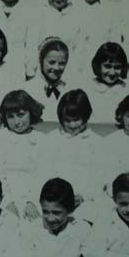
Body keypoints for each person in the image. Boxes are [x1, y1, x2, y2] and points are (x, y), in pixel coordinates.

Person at [0, 90, 46, 223]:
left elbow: (43, 173)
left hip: (35, 195)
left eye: (21, 115)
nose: (17, 122)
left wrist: (32, 202)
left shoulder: (42, 140)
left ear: (31, 112)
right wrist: (7, 202)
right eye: (10, 117)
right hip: (5, 195)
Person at [45, 89, 105, 217]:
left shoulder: (97, 142)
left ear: (86, 117)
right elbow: (45, 169)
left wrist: (84, 196)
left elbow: (100, 175)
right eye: (67, 120)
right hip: (54, 197)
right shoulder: (51, 139)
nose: (72, 125)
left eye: (77, 119)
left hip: (86, 199)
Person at [30, 0, 76, 78]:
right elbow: (31, 44)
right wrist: (31, 71)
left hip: (68, 70)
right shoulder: (39, 14)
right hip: (43, 71)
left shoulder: (76, 15)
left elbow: (78, 47)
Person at [72, 0, 118, 65]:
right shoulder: (71, 7)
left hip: (100, 67)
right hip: (72, 66)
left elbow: (115, 40)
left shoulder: (112, 10)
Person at [22, 37, 70, 122]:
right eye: (51, 62)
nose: (56, 68)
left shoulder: (68, 90)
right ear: (41, 61)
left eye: (62, 63)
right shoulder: (27, 89)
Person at [86, 42, 129, 124]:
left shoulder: (126, 89)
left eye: (117, 67)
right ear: (98, 65)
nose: (112, 73)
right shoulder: (88, 88)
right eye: (107, 66)